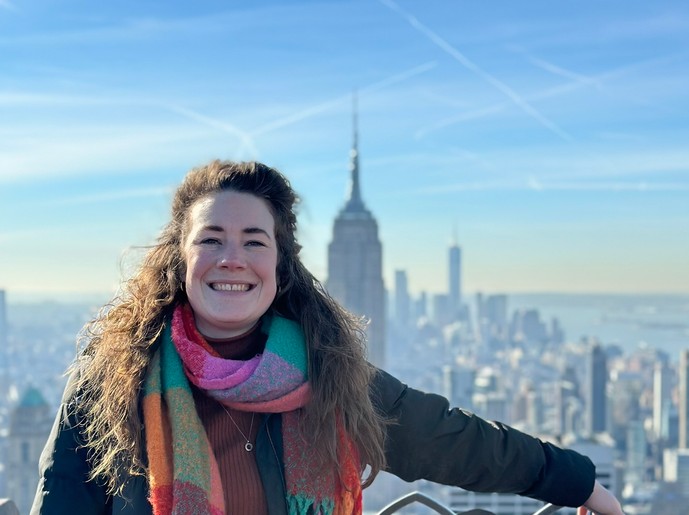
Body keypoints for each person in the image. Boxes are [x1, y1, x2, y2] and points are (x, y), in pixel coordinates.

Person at [32, 160, 624, 515]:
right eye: (210, 239)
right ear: (179, 260)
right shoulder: (115, 376)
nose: (231, 259)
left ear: (281, 265)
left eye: (254, 241)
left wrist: (574, 479)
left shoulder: (326, 373)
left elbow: (448, 437)